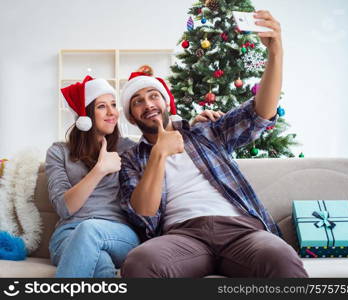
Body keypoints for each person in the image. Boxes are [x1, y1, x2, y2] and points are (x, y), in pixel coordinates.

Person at [118, 11, 309, 278]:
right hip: (183, 236)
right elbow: (143, 213)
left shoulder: (206, 132)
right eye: (137, 101)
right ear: (130, 115)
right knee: (140, 263)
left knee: (280, 257)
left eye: (153, 96)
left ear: (166, 103)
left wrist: (275, 52)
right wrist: (159, 153)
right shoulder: (131, 159)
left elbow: (259, 113)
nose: (148, 104)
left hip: (241, 230)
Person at [45, 75, 222, 277]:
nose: (112, 112)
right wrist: (99, 170)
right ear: (84, 116)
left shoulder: (129, 149)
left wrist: (192, 125)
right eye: (102, 106)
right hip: (68, 235)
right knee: (101, 263)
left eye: (113, 105)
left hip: (120, 234)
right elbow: (64, 207)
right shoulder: (58, 152)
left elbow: (162, 143)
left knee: (90, 231)